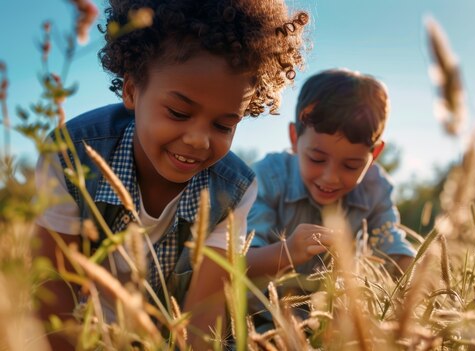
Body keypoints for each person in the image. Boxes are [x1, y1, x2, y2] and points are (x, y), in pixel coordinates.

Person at [33, 0, 309, 349]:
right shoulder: (71, 154)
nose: (198, 140)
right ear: (131, 90)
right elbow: (52, 286)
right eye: (179, 113)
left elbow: (202, 319)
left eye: (224, 124)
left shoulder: (234, 189)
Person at [246, 69, 417, 329]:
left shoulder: (376, 188)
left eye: (351, 165)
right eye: (316, 159)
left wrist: (422, 284)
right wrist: (288, 251)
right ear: (294, 139)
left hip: (333, 324)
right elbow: (239, 262)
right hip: (260, 322)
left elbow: (391, 246)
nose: (330, 178)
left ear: (375, 154)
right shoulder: (268, 177)